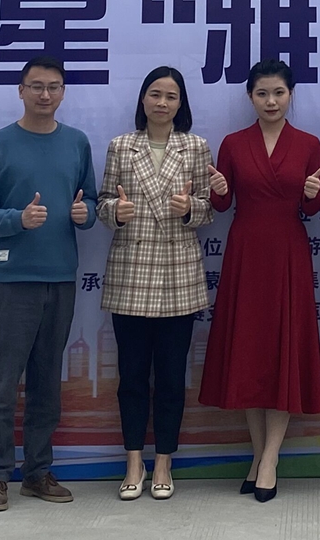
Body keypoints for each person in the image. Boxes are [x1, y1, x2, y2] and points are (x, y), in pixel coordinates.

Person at [0, 56, 98, 512]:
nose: (45, 94)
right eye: (36, 86)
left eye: (54, 86)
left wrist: (85, 214)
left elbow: (91, 201)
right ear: (20, 91)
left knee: (47, 385)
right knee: (3, 386)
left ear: (63, 92)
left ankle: (37, 472)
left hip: (60, 279)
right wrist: (17, 220)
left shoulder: (77, 143)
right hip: (12, 281)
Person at [198, 59, 320, 502]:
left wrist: (311, 196)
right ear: (250, 97)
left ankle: (270, 459)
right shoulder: (234, 143)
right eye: (262, 93)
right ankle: (259, 455)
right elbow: (221, 205)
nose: (271, 101)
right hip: (246, 252)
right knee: (250, 355)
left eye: (279, 93)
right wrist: (218, 188)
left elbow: (311, 211)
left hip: (288, 252)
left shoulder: (309, 143)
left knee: (282, 352)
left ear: (291, 94)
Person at [96, 66, 218, 501]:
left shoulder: (195, 146)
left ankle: (164, 461)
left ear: (181, 103)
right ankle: (134, 461)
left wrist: (190, 209)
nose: (162, 103)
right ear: (143, 99)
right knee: (131, 377)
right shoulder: (121, 146)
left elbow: (209, 208)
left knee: (170, 376)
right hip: (131, 271)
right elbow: (103, 202)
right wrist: (115, 213)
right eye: (155, 94)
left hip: (177, 274)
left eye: (171, 96)